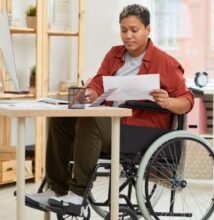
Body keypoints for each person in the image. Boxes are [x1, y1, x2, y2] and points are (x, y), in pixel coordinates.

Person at [27, 4, 194, 209]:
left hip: (139, 130)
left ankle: (78, 195)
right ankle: (56, 189)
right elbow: (98, 81)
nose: (128, 36)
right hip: (111, 123)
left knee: (92, 122)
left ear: (148, 30)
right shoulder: (114, 54)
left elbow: (187, 101)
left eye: (134, 30)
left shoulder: (165, 62)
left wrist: (168, 102)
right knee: (60, 119)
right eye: (124, 30)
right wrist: (90, 93)